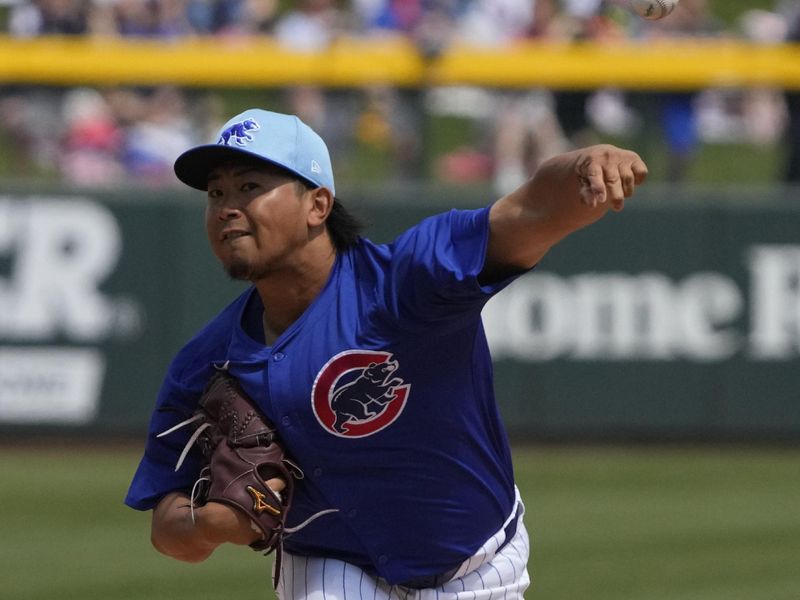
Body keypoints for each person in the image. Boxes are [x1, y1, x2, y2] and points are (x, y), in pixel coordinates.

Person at [124, 108, 648, 599]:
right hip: (327, 565)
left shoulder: (408, 282)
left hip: (477, 567)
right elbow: (165, 522)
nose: (227, 207)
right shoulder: (207, 363)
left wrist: (585, 163)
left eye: (249, 187)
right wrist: (203, 526)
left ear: (317, 205)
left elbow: (530, 208)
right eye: (215, 193)